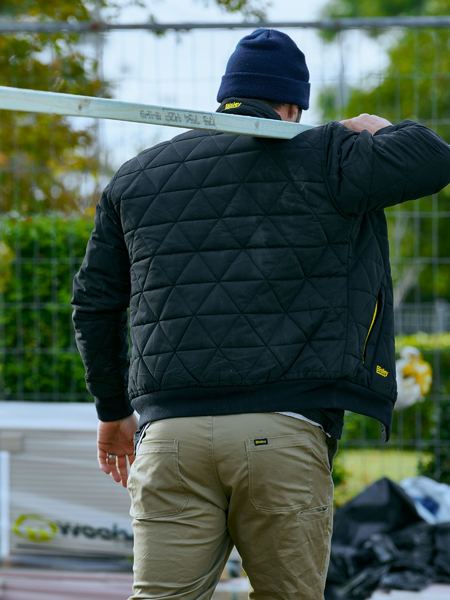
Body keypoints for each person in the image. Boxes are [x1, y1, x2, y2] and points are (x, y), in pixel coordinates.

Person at [72, 28, 450, 600]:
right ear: (293, 106)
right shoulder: (330, 155)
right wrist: (373, 128)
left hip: (170, 436)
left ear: (226, 96)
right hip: (284, 430)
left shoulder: (137, 175)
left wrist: (112, 411)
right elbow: (433, 158)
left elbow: (95, 302)